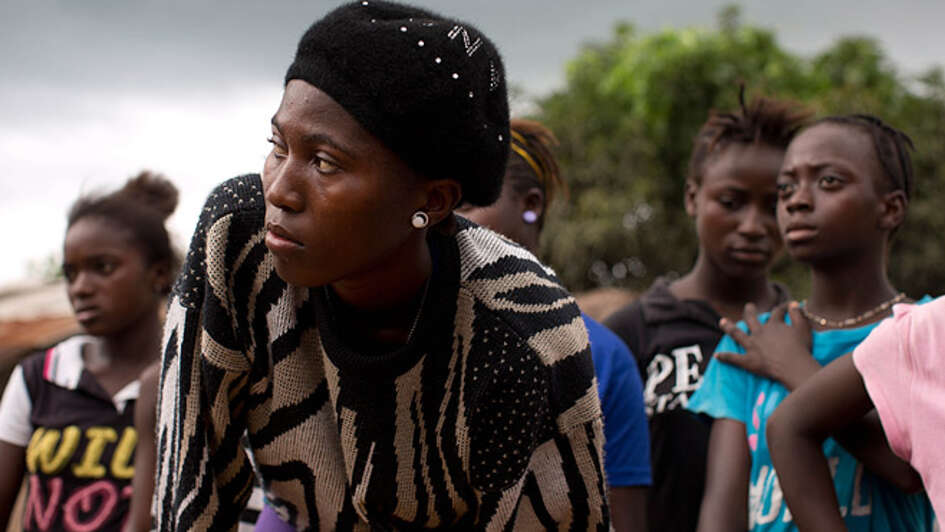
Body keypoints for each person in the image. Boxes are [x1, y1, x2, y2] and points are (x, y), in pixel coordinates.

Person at [152, 2, 608, 530]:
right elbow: (188, 497)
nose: (278, 190)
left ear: (434, 201)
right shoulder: (238, 245)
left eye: (325, 162)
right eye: (278, 146)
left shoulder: (522, 331)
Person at [688, 114, 935, 531]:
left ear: (890, 209)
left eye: (829, 182)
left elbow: (907, 469)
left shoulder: (925, 333)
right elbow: (722, 517)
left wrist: (792, 366)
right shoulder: (749, 341)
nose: (796, 201)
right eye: (787, 187)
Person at [603, 91, 805, 532]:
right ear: (693, 197)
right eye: (731, 202)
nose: (753, 226)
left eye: (774, 204)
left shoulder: (805, 335)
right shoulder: (630, 334)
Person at [455, 118, 652, 532]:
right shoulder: (402, 342)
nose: (447, 219)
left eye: (468, 203)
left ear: (532, 203)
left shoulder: (603, 357)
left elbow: (623, 518)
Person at [0, 172, 178, 531]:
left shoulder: (181, 379)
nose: (81, 288)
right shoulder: (40, 377)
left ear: (158, 273)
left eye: (103, 267)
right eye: (71, 273)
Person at [766, 295, 945, 529]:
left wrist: (794, 365)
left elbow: (906, 471)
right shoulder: (929, 328)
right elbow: (788, 424)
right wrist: (793, 364)